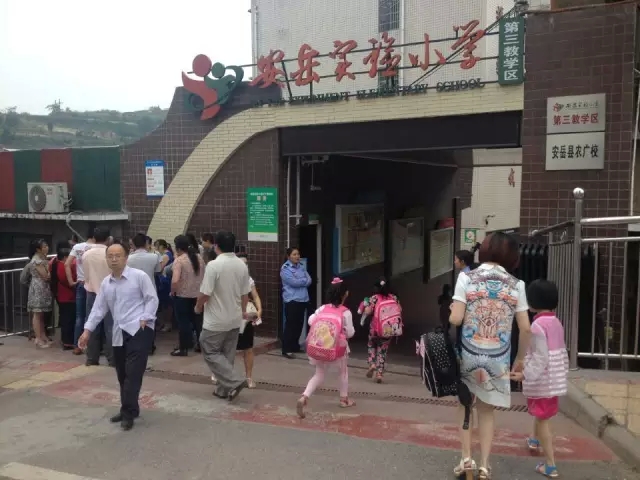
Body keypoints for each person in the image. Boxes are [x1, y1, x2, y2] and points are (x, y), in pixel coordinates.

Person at [449, 232, 532, 479]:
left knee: (465, 405)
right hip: (499, 358)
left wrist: (453, 309)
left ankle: (466, 459)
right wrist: (520, 359)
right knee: (487, 410)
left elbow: (456, 319)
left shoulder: (467, 278)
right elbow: (526, 328)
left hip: (469, 354)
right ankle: (484, 466)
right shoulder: (517, 285)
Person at [78, 241, 159, 431]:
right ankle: (131, 408)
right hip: (118, 332)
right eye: (110, 256)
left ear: (126, 257)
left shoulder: (139, 277)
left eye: (118, 255)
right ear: (106, 259)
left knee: (133, 373)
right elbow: (98, 309)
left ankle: (127, 413)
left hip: (139, 330)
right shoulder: (106, 283)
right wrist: (87, 331)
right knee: (122, 374)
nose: (114, 259)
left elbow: (152, 299)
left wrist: (145, 317)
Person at [510, 280, 568, 478]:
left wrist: (525, 374)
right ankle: (534, 439)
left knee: (543, 419)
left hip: (543, 379)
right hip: (554, 378)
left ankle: (550, 464)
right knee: (541, 413)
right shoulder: (555, 322)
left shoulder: (537, 326)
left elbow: (540, 357)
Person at [195, 231, 250, 401]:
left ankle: (235, 381)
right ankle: (222, 390)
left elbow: (205, 293)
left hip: (216, 320)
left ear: (216, 246)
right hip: (235, 318)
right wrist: (243, 312)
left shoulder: (214, 265)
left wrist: (198, 307)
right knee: (227, 356)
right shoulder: (242, 265)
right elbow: (245, 294)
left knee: (209, 350)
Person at [296, 278, 355, 418]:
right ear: (345, 294)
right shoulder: (345, 312)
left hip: (319, 347)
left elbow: (311, 321)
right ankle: (344, 399)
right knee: (343, 372)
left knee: (319, 374)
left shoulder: (322, 308)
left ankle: (305, 396)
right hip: (337, 349)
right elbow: (350, 332)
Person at [82, 227, 114, 367]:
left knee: (92, 325)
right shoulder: (110, 254)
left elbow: (86, 275)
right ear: (108, 239)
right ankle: (113, 358)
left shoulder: (86, 254)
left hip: (91, 292)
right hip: (110, 293)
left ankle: (92, 358)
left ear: (94, 238)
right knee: (110, 326)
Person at [359, 278, 401, 383]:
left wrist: (365, 305)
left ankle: (372, 364)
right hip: (388, 329)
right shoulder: (394, 298)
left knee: (371, 345)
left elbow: (367, 311)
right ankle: (379, 374)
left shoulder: (374, 298)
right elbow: (400, 310)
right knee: (382, 351)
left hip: (375, 329)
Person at [170, 235, 205, 356]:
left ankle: (184, 348)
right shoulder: (199, 258)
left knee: (183, 322)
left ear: (178, 248)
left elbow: (175, 280)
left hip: (182, 296)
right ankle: (200, 345)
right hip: (197, 295)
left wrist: (173, 291)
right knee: (198, 322)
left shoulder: (179, 260)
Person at [234, 253, 262, 388]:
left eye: (246, 263)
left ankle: (249, 377)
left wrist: (259, 310)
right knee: (228, 348)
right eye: (241, 263)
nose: (244, 266)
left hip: (246, 317)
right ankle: (222, 375)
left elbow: (255, 296)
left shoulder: (249, 280)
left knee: (248, 348)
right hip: (231, 316)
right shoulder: (228, 278)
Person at [66, 229, 95, 355]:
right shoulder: (97, 248)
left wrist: (71, 281)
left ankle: (77, 346)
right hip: (93, 284)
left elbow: (67, 264)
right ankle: (91, 346)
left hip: (80, 283)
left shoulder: (77, 247)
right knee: (91, 316)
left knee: (79, 316)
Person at [280, 247, 311, 359]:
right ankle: (286, 349)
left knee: (299, 324)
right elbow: (293, 282)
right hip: (292, 300)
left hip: (303, 299)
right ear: (288, 256)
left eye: (298, 254)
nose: (297, 256)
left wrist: (302, 281)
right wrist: (303, 281)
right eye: (294, 254)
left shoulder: (301, 267)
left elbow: (309, 280)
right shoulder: (285, 269)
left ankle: (294, 346)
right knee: (290, 325)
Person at [50, 242, 77, 350]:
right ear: (66, 257)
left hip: (63, 295)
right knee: (68, 319)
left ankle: (66, 340)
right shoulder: (62, 267)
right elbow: (67, 280)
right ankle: (67, 342)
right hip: (67, 296)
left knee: (66, 318)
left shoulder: (56, 263)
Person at [26, 239, 53, 348]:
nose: (47, 248)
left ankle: (43, 336)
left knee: (41, 314)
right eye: (44, 246)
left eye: (47, 246)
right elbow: (45, 276)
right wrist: (49, 272)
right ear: (38, 249)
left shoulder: (42, 258)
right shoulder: (37, 260)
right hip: (38, 288)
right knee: (37, 314)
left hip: (43, 287)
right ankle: (38, 338)